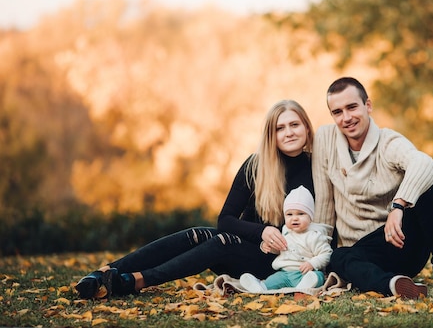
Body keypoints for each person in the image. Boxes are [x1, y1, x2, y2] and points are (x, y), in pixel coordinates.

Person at [74, 99, 315, 299]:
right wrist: (261, 232)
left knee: (221, 242)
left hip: (279, 265)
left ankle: (135, 282)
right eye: (280, 128)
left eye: (294, 124)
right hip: (245, 249)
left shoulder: (317, 167)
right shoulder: (256, 165)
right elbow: (226, 220)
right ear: (271, 135)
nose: (289, 132)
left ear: (306, 127)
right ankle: (105, 272)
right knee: (199, 233)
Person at [312, 77, 433, 300]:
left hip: (399, 241)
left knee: (428, 188)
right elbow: (324, 209)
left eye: (352, 107)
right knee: (339, 257)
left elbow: (425, 163)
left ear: (368, 106)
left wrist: (398, 206)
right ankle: (394, 285)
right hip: (362, 251)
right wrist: (314, 258)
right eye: (337, 112)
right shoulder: (325, 139)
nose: (346, 118)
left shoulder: (388, 141)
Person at [239, 185, 332, 292]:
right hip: (285, 274)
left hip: (304, 273)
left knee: (317, 276)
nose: (295, 218)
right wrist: (269, 246)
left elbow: (326, 254)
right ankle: (260, 287)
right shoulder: (286, 232)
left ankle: (306, 284)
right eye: (289, 214)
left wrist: (313, 263)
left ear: (310, 216)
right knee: (274, 279)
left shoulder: (314, 236)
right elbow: (281, 249)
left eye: (301, 214)